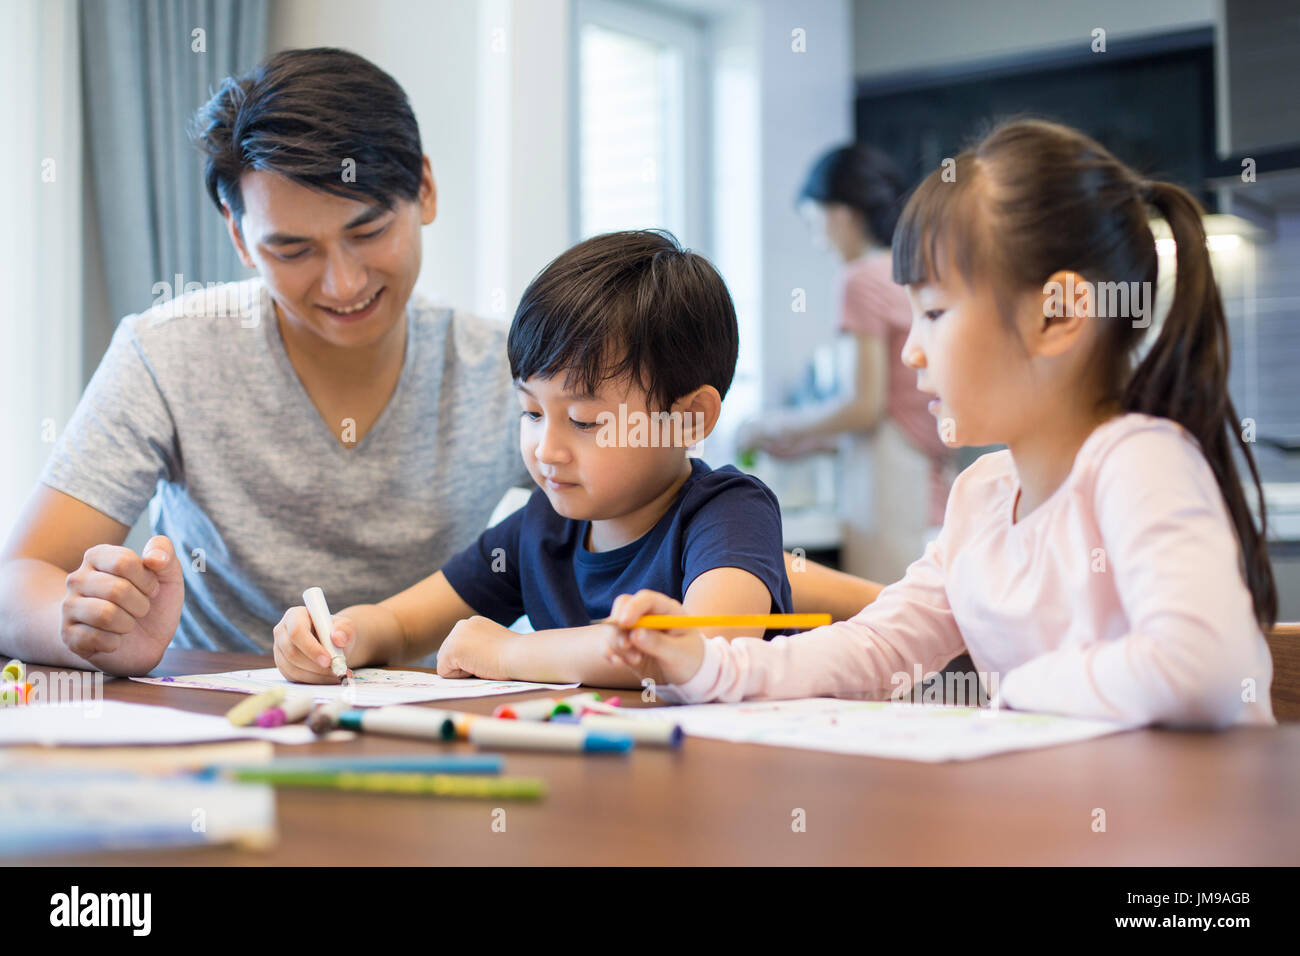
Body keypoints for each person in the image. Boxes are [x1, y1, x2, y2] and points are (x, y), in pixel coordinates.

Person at [601, 118, 1277, 729]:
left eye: (935, 312)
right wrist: (705, 663)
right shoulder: (982, 495)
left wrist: (1016, 691)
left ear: (1058, 315)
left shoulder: (1139, 462)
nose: (911, 349)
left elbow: (1202, 668)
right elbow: (876, 645)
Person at [272, 231, 793, 687]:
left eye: (585, 422)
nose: (545, 451)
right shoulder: (538, 532)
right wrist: (335, 637)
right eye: (532, 412)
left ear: (688, 419)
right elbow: (405, 625)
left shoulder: (729, 514)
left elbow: (698, 648)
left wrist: (509, 652)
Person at [737, 144, 954, 582]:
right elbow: (893, 410)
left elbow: (863, 405)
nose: (820, 242)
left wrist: (770, 425)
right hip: (931, 482)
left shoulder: (859, 279)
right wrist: (807, 443)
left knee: (883, 624)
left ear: (841, 213)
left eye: (816, 224)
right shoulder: (912, 269)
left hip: (889, 492)